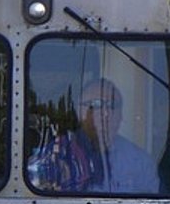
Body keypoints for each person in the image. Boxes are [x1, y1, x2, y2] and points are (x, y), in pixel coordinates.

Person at [31, 78, 159, 195]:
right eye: (96, 105)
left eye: (112, 106)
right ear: (79, 111)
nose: (106, 114)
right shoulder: (55, 154)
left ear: (121, 115)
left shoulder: (140, 162)